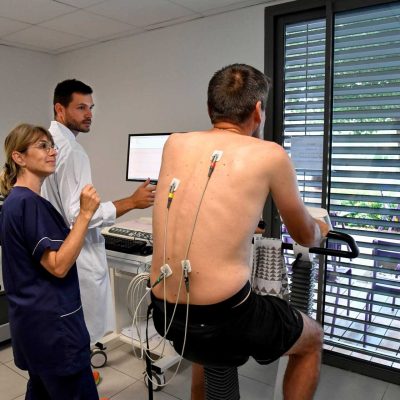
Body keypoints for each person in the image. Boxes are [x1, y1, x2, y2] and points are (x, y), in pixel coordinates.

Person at [150, 64, 330, 400]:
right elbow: (305, 235)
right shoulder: (270, 154)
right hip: (224, 318)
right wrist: (321, 229)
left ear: (210, 108)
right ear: (258, 110)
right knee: (312, 339)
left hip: (166, 312)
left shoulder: (174, 143)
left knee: (205, 351)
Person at [41, 79, 156, 343]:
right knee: (85, 333)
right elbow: (80, 214)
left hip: (58, 249)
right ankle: (83, 380)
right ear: (60, 109)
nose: (89, 114)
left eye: (91, 107)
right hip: (77, 255)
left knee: (70, 328)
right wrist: (131, 202)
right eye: (81, 107)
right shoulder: (72, 151)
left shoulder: (46, 143)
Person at [0, 123, 107, 400]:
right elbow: (58, 266)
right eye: (42, 146)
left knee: (42, 392)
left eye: (52, 146)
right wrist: (84, 214)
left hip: (32, 328)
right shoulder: (29, 204)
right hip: (55, 331)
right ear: (19, 157)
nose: (52, 152)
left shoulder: (15, 201)